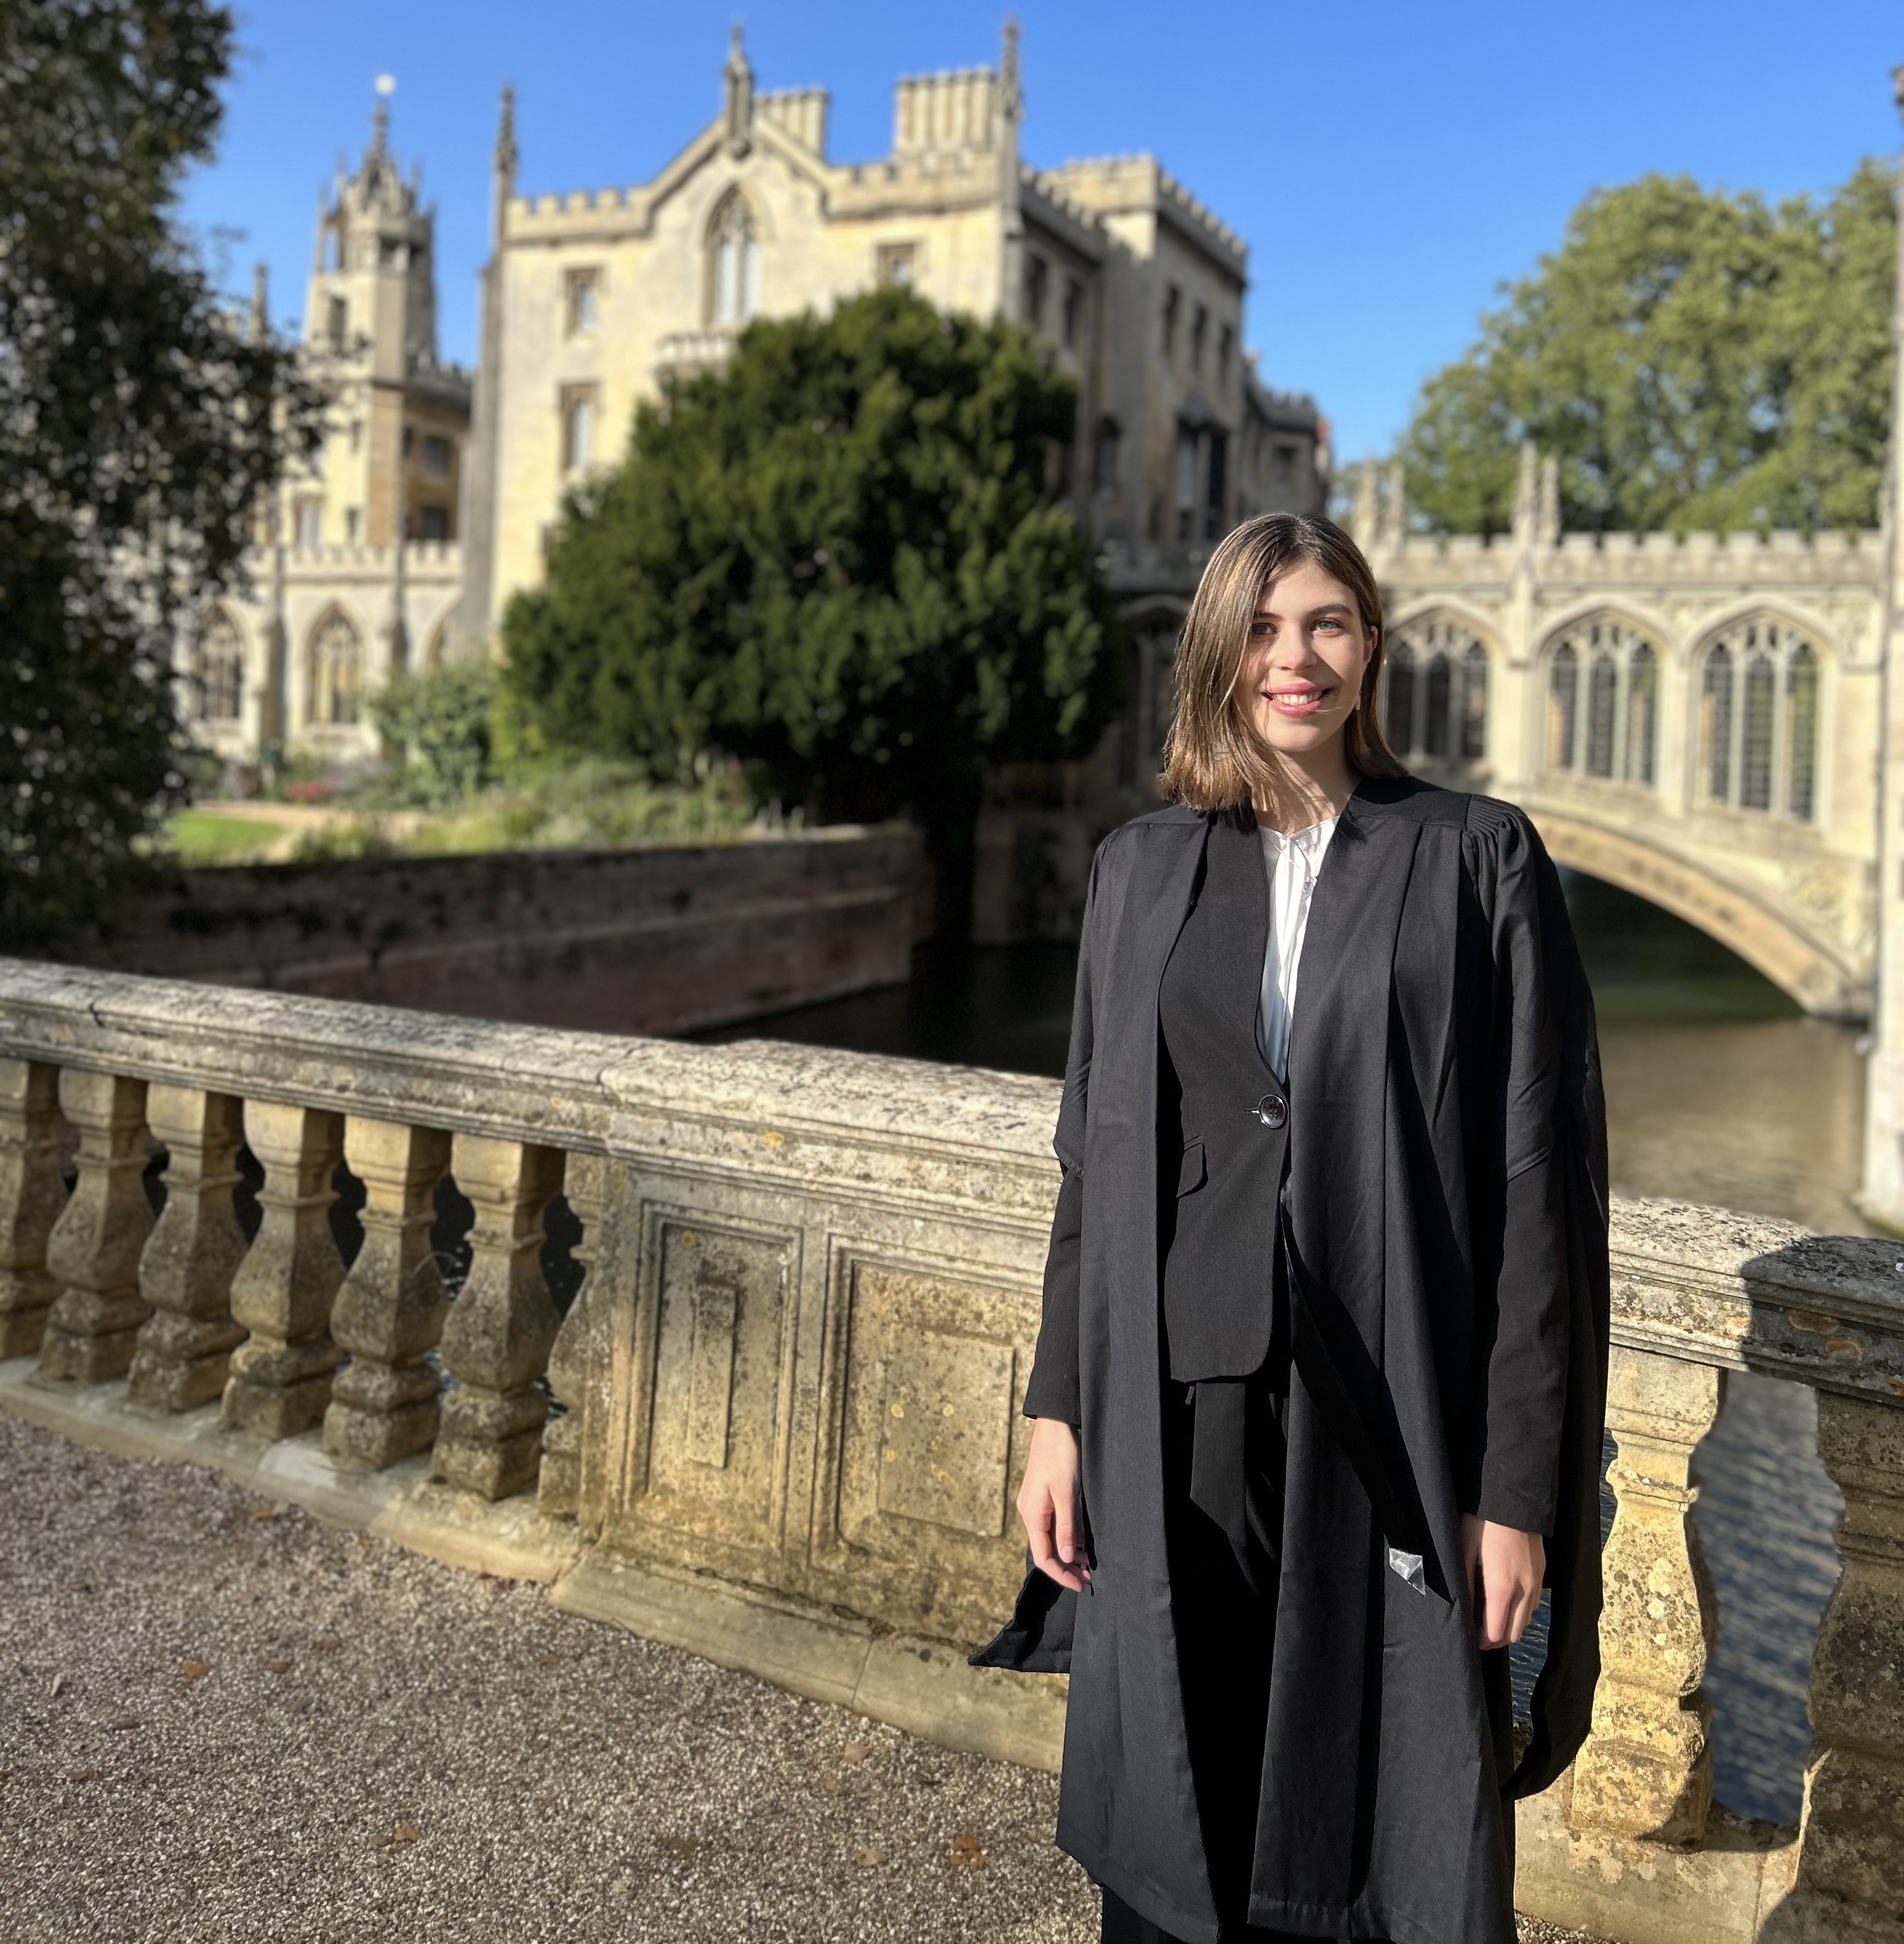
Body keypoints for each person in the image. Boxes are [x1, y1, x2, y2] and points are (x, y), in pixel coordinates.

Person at [972, 513, 1610, 1944]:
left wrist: (1516, 1493)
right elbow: (1101, 1160)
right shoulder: (1140, 868)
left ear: (1371, 645)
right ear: (1216, 653)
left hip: (1389, 1405)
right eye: (1260, 629)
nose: (1293, 658)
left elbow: (1537, 1199)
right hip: (1179, 1398)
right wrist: (1059, 1410)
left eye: (1325, 622)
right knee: (1181, 1783)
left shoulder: (1476, 858)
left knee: (1366, 1805)